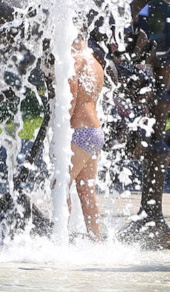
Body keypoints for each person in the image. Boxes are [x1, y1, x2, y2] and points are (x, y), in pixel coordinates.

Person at [68, 36, 105, 241]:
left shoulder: (73, 61)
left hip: (79, 132)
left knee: (60, 184)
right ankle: (96, 240)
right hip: (95, 132)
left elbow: (70, 101)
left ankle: (59, 239)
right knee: (86, 189)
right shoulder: (94, 62)